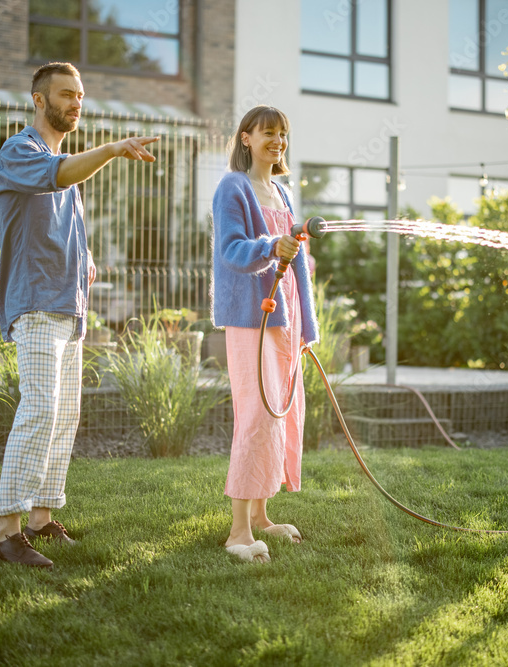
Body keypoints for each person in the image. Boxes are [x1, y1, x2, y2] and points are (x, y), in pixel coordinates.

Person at [0, 62, 159, 568]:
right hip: (36, 303)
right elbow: (57, 177)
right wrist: (110, 149)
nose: (76, 103)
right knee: (40, 408)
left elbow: (59, 215)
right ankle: (6, 530)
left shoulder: (66, 166)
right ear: (39, 100)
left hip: (67, 307)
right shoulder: (21, 151)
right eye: (66, 94)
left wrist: (84, 258)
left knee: (63, 416)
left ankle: (40, 517)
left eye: (80, 95)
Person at [211, 105, 320, 563]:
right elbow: (232, 250)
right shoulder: (232, 187)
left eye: (283, 134)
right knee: (256, 415)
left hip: (287, 316)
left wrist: (307, 327)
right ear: (246, 139)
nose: (277, 141)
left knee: (279, 415)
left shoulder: (282, 192)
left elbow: (300, 266)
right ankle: (238, 533)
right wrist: (270, 246)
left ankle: (261, 518)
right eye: (268, 133)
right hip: (252, 316)